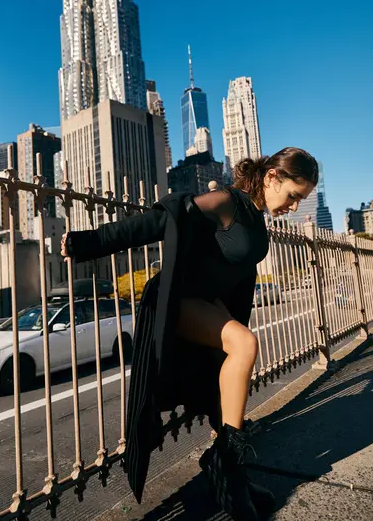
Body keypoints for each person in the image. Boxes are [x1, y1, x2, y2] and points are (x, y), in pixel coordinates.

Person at [61, 147, 318, 520]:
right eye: (293, 196)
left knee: (224, 396)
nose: (294, 207)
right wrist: (88, 243)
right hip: (182, 300)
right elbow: (166, 219)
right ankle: (226, 463)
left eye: (302, 200)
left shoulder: (256, 218)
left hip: (211, 306)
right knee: (244, 344)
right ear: (272, 177)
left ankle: (231, 476)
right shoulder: (228, 201)